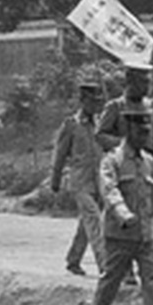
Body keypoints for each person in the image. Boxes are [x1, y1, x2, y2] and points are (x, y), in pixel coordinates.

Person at [89, 103, 153, 305]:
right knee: (111, 278)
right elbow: (109, 189)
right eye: (140, 132)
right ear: (128, 130)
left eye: (148, 132)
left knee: (152, 278)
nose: (145, 136)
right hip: (120, 234)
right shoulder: (112, 160)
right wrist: (123, 214)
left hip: (145, 234)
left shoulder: (148, 161)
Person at [51, 75, 109, 276]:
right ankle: (105, 264)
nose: (96, 105)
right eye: (92, 101)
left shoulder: (101, 124)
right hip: (80, 182)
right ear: (82, 101)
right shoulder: (71, 125)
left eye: (98, 101)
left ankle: (73, 259)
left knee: (86, 223)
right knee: (94, 220)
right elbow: (60, 154)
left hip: (99, 181)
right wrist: (55, 180)